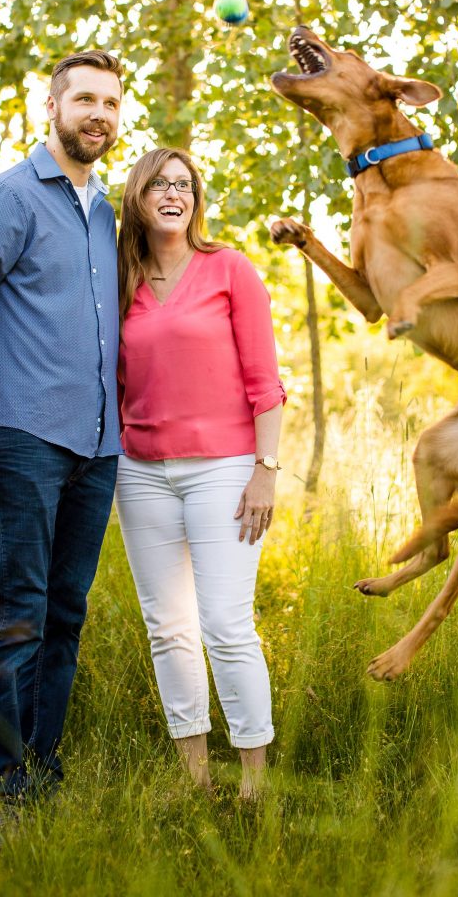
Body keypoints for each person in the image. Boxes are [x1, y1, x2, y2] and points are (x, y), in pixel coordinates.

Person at [0, 49, 124, 830]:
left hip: (99, 447)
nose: (98, 116)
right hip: (25, 440)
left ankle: (38, 775)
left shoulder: (108, 210)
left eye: (110, 103)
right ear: (53, 108)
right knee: (14, 614)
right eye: (84, 100)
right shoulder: (8, 196)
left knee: (65, 615)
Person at [115, 147, 286, 800]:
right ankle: (196, 779)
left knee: (225, 622)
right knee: (169, 626)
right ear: (138, 196)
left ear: (195, 199)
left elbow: (265, 382)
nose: (172, 194)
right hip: (141, 473)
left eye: (183, 185)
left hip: (225, 470)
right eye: (158, 183)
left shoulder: (230, 270)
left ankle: (253, 782)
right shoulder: (121, 281)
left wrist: (265, 471)